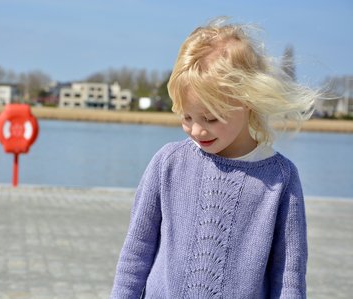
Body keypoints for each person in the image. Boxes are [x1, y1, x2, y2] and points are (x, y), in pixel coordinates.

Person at [111, 18, 317, 298]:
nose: (197, 129)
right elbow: (136, 254)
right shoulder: (168, 163)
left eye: (210, 117)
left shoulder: (280, 179)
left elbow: (289, 277)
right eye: (186, 117)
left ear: (246, 100)